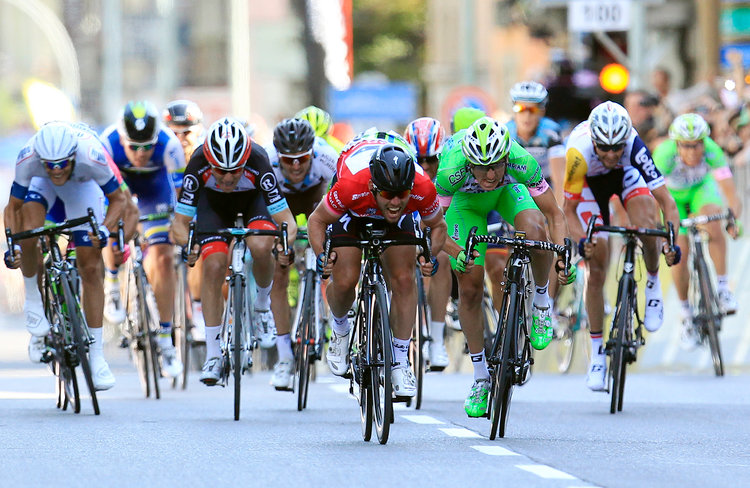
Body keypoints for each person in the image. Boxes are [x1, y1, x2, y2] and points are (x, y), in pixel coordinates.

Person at [435, 116, 572, 417]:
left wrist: (562, 255)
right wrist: (457, 252)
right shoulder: (450, 171)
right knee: (469, 287)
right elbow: (434, 225)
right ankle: (481, 377)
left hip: (507, 195)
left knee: (536, 229)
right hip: (465, 205)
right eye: (482, 166)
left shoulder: (521, 161)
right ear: (468, 162)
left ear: (507, 156)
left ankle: (540, 304)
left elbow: (555, 214)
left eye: (497, 164)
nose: (491, 173)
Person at [307, 132, 447, 398]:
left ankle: (399, 360)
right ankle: (339, 330)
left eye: (402, 194)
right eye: (387, 194)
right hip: (353, 211)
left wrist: (428, 256)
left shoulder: (422, 187)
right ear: (373, 186)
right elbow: (316, 220)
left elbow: (438, 226)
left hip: (394, 216)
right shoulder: (351, 184)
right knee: (346, 277)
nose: (395, 202)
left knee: (404, 278)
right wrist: (322, 257)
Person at [169, 117, 297, 386]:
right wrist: (188, 245)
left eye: (235, 171)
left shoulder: (259, 159)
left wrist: (285, 244)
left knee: (262, 245)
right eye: (220, 171)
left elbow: (287, 220)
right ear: (209, 162)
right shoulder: (197, 161)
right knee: (213, 263)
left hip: (253, 204)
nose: (228, 178)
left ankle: (262, 307)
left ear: (245, 160)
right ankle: (214, 355)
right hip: (213, 207)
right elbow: (179, 225)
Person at [563, 101, 681, 392]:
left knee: (648, 223)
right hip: (589, 185)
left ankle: (652, 286)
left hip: (627, 178)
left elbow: (668, 203)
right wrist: (583, 241)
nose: (612, 154)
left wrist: (671, 242)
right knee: (597, 263)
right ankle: (597, 357)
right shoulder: (578, 152)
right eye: (605, 148)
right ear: (594, 141)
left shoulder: (634, 147)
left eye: (618, 148)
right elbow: (567, 212)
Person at [3, 121, 128, 390]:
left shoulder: (91, 155)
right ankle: (35, 305)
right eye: (51, 164)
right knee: (29, 233)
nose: (57, 170)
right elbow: (12, 207)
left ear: (73, 156)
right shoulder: (29, 157)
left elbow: (119, 200)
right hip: (41, 188)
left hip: (82, 189)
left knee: (91, 266)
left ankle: (96, 358)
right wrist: (11, 244)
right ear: (40, 158)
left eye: (62, 164)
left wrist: (104, 231)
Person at [100, 101, 186, 378]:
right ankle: (112, 284)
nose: (141, 153)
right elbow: (101, 194)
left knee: (162, 256)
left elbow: (182, 198)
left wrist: (177, 225)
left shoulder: (170, 145)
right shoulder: (107, 144)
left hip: (155, 192)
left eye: (147, 146)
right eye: (133, 147)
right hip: (119, 190)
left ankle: (165, 338)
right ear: (123, 139)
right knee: (113, 235)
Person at [652, 113, 741, 347]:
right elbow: (651, 197)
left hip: (701, 191)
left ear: (705, 142)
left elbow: (730, 192)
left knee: (713, 220)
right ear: (677, 144)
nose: (693, 152)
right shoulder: (663, 155)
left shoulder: (713, 151)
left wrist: (733, 220)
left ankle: (723, 289)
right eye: (687, 146)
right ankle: (687, 315)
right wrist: (658, 228)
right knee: (679, 254)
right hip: (673, 200)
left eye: (698, 145)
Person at [263, 118, 338, 390]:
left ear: (313, 152)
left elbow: (340, 201)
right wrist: (279, 243)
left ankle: (336, 324)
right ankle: (284, 357)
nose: (295, 165)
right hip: (280, 203)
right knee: (279, 267)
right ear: (278, 156)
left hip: (317, 199)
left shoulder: (328, 159)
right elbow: (262, 210)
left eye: (302, 158)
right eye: (288, 160)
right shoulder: (266, 162)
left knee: (331, 257)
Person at [404, 117, 450, 369]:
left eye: (431, 159)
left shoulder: (448, 175)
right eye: (418, 160)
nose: (424, 166)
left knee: (441, 258)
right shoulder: (401, 171)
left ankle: (436, 339)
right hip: (409, 229)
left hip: (436, 231)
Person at [163, 99, 207, 341]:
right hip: (165, 211)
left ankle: (198, 311)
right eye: (173, 133)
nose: (180, 139)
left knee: (198, 247)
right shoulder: (162, 154)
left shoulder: (204, 154)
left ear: (199, 130)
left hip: (195, 214)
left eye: (187, 132)